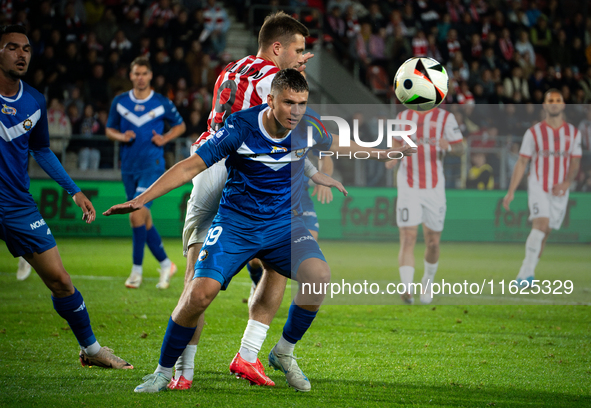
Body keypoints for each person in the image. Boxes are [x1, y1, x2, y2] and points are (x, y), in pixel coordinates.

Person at [104, 69, 414, 393]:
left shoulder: (308, 126)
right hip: (236, 224)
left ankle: (283, 351)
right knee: (199, 293)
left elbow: (336, 144)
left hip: (283, 225)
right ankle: (163, 371)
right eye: (288, 102)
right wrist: (141, 199)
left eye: (302, 103)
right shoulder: (241, 126)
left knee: (319, 276)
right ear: (270, 100)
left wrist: (385, 153)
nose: (296, 111)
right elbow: (189, 167)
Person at [168, 12, 316, 391]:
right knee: (278, 257)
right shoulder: (275, 82)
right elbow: (298, 124)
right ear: (276, 47)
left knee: (194, 279)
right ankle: (249, 355)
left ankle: (184, 372)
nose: (303, 57)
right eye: (298, 50)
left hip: (206, 166)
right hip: (242, 167)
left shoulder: (231, 69)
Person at [0, 25, 132, 369]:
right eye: (12, 47)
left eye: (26, 49)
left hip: (16, 204)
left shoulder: (34, 101)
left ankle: (91, 349)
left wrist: (74, 191)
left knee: (60, 280)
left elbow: (41, 150)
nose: (20, 55)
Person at [106, 56, 186, 290]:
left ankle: (136, 271)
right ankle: (165, 264)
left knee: (135, 213)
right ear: (130, 76)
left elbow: (180, 125)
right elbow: (110, 129)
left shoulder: (161, 102)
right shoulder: (120, 102)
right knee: (144, 218)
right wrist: (122, 137)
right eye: (136, 74)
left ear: (150, 76)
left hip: (153, 167)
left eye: (144, 73)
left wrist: (165, 138)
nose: (140, 78)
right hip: (128, 167)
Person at [503, 89, 582, 286]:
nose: (554, 103)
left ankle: (529, 274)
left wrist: (566, 183)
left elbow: (575, 163)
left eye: (558, 100)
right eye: (550, 100)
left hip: (560, 189)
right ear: (545, 105)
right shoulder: (534, 132)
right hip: (539, 184)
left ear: (563, 105)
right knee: (541, 224)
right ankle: (523, 274)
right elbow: (522, 162)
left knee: (545, 231)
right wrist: (511, 191)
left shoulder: (573, 133)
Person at [387, 107, 464, 304]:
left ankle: (427, 282)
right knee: (408, 237)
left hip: (434, 188)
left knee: (433, 242)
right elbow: (395, 146)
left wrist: (447, 146)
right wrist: (392, 158)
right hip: (408, 187)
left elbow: (461, 148)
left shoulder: (446, 117)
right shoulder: (403, 117)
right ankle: (406, 288)